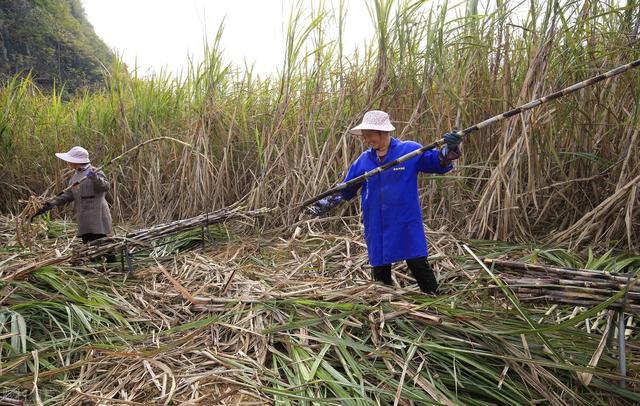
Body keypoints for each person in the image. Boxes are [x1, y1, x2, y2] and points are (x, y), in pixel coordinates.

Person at [309, 110, 462, 294]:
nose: (366, 140)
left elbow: (437, 163)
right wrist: (323, 204)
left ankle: (435, 300)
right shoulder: (364, 160)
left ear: (383, 132)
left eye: (369, 135)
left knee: (417, 263)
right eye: (364, 136)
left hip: (405, 220)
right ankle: (384, 307)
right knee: (380, 270)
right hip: (376, 223)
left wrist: (449, 149)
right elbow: (347, 188)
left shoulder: (410, 150)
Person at [32, 146, 115, 261]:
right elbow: (70, 195)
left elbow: (106, 187)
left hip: (98, 214)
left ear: (76, 161)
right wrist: (53, 203)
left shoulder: (95, 171)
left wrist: (95, 178)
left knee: (102, 243)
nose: (67, 163)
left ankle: (113, 267)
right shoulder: (75, 177)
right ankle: (96, 267)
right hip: (84, 215)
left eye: (69, 160)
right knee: (88, 245)